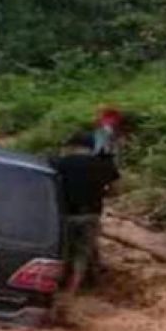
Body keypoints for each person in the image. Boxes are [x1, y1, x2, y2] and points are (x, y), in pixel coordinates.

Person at [51, 132, 120, 311]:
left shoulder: (61, 163)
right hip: (91, 215)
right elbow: (115, 190)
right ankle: (71, 292)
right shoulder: (104, 165)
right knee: (82, 255)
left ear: (72, 146)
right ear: (91, 148)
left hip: (64, 215)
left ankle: (53, 289)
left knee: (61, 252)